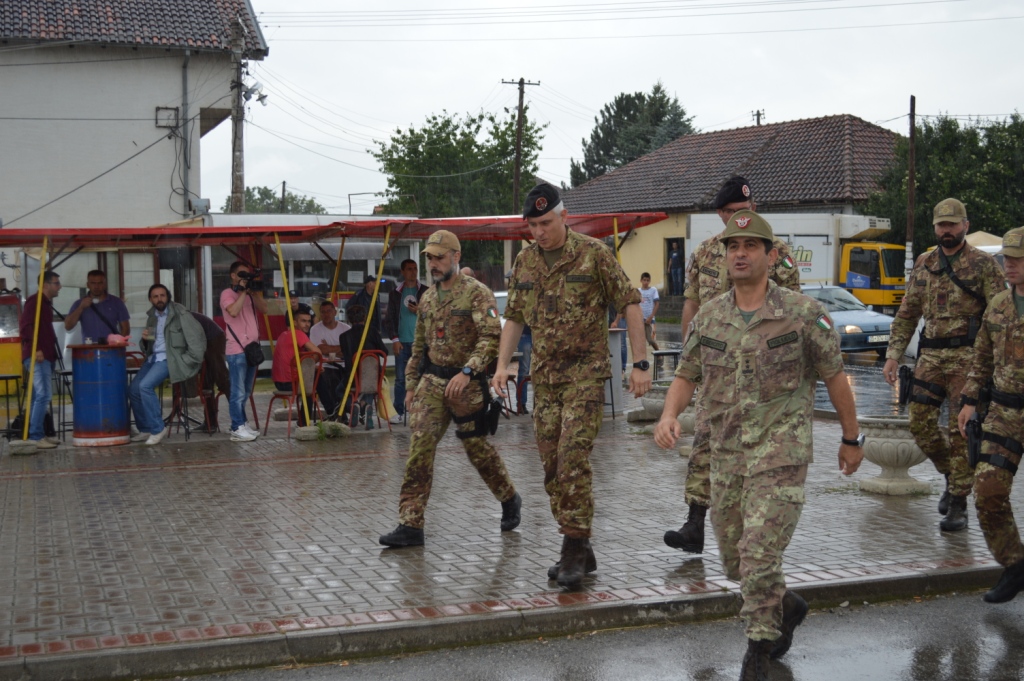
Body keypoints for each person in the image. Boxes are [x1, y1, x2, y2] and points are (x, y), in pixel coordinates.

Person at [654, 211, 863, 680]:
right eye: (733, 246)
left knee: (759, 554)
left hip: (781, 452)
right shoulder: (710, 317)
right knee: (735, 562)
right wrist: (669, 415)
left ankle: (759, 648)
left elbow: (834, 376)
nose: (741, 254)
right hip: (727, 456)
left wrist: (851, 439)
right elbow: (687, 374)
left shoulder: (804, 314)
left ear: (771, 256)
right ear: (725, 257)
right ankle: (785, 604)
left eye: (751, 246)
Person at [491, 182, 651, 589]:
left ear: (564, 216)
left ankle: (573, 548)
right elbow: (515, 318)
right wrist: (501, 365)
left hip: (586, 374)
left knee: (571, 458)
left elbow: (629, 301)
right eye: (533, 225)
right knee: (550, 468)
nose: (539, 232)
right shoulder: (526, 261)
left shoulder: (593, 254)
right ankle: (581, 542)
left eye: (546, 222)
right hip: (545, 378)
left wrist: (641, 361)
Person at [664, 176, 801, 556]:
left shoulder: (777, 255)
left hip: (764, 374)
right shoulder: (706, 255)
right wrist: (688, 355)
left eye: (745, 210)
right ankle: (695, 522)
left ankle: (758, 529)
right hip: (716, 371)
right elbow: (692, 305)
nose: (739, 217)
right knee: (705, 442)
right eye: (731, 213)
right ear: (720, 215)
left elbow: (792, 311)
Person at [380, 230, 521, 548]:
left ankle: (509, 497)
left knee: (477, 451)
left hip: (467, 385)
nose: (433, 263)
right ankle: (410, 524)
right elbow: (419, 346)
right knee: (420, 447)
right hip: (432, 383)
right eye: (429, 257)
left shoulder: (477, 293)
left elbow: (490, 337)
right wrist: (411, 385)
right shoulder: (427, 297)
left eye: (439, 257)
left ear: (456, 257)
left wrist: (469, 371)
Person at [883, 198, 1006, 532]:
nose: (947, 230)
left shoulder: (983, 265)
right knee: (920, 425)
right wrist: (893, 354)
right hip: (930, 357)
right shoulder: (925, 263)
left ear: (965, 225)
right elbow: (907, 313)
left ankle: (958, 503)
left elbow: (1000, 315)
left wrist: (998, 362)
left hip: (969, 358)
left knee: (960, 431)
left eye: (953, 224)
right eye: (941, 225)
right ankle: (952, 476)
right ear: (934, 226)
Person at [958, 226, 1024, 604]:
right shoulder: (998, 304)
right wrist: (969, 401)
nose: (1008, 264)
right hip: (1003, 411)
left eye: (1017, 258)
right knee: (987, 491)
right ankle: (1015, 565)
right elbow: (981, 358)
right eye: (1006, 257)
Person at [129, 284, 206, 446]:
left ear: (168, 296)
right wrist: (144, 340)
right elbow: (148, 348)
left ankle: (157, 429)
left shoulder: (180, 313)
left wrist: (186, 360)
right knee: (134, 389)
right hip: (153, 359)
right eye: (155, 296)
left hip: (169, 359)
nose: (159, 299)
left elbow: (197, 340)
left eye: (162, 295)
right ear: (150, 299)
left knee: (144, 386)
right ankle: (146, 428)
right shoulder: (151, 317)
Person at [221, 261, 268, 443]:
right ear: (233, 275)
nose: (244, 278)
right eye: (241, 274)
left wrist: (252, 292)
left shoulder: (249, 294)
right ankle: (236, 427)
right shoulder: (227, 293)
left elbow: (264, 309)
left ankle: (242, 423)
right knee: (237, 391)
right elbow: (232, 312)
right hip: (236, 350)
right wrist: (241, 292)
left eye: (247, 275)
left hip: (251, 349)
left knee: (246, 391)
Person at [19, 270, 61, 449]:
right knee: (43, 394)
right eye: (56, 283)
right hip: (38, 356)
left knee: (38, 395)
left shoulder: (45, 303)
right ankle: (36, 436)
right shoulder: (34, 301)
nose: (59, 286)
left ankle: (37, 433)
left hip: (46, 356)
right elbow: (26, 326)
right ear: (46, 285)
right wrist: (36, 349)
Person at [384, 259, 428, 425]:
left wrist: (420, 311)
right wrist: (395, 339)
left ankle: (422, 411)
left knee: (423, 377)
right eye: (409, 269)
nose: (413, 272)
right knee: (401, 379)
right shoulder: (395, 293)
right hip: (402, 342)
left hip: (420, 342)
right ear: (402, 271)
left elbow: (434, 316)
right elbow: (389, 319)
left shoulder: (425, 291)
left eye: (415, 269)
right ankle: (398, 412)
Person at [338, 304, 388, 426]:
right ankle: (366, 407)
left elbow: (346, 356)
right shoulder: (372, 332)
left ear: (349, 319)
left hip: (352, 378)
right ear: (365, 317)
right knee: (370, 379)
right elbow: (385, 352)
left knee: (338, 390)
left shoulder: (343, 337)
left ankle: (354, 406)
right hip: (373, 378)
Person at [272, 309, 321, 427]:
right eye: (303, 321)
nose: (307, 324)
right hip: (290, 382)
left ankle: (304, 420)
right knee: (319, 381)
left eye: (309, 321)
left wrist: (309, 368)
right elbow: (318, 352)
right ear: (294, 322)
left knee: (313, 381)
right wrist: (310, 368)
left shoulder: (283, 334)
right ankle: (331, 413)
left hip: (278, 382)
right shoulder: (298, 334)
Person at [309, 300, 350, 419]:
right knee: (324, 377)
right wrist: (340, 348)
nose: (326, 314)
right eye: (323, 312)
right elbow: (320, 350)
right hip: (326, 366)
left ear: (335, 312)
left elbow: (348, 351)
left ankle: (340, 412)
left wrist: (329, 348)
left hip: (344, 365)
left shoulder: (346, 328)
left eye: (329, 311)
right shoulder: (315, 329)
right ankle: (334, 412)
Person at [190, 311, 229, 433]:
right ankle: (209, 422)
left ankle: (240, 420)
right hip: (205, 339)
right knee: (206, 382)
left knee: (222, 378)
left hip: (214, 337)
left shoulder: (181, 317)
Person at [63, 269, 130, 340]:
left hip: (112, 349)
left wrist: (118, 344)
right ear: (88, 285)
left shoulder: (117, 302)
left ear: (104, 284)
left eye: (100, 283)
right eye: (93, 283)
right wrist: (81, 308)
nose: (96, 287)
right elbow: (68, 326)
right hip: (89, 349)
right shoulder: (79, 303)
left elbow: (126, 328)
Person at [639, 272, 660, 351]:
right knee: (640, 340)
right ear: (641, 280)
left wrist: (651, 316)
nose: (646, 282)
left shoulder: (653, 290)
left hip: (650, 319)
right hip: (641, 319)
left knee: (651, 339)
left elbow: (657, 304)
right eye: (644, 280)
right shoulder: (638, 291)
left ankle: (658, 353)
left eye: (647, 280)